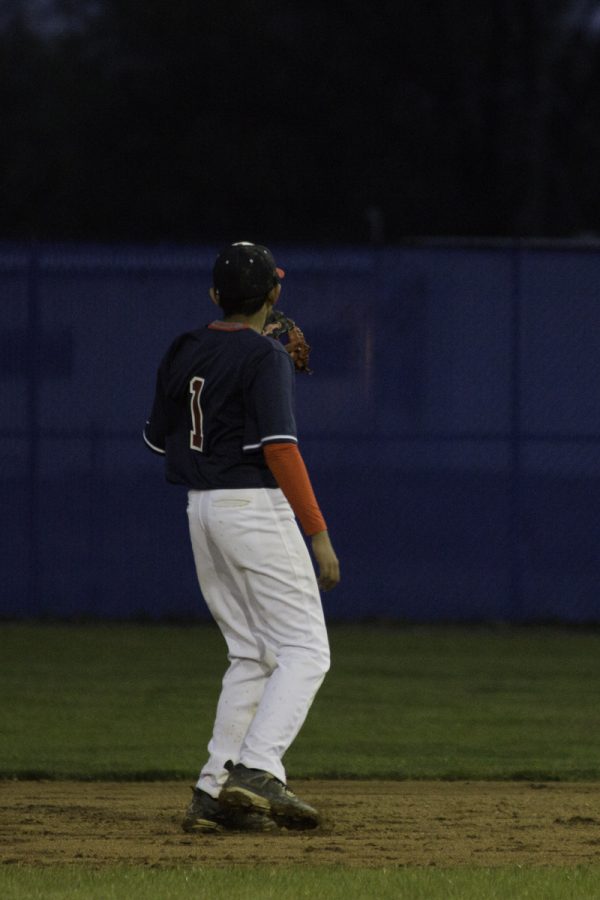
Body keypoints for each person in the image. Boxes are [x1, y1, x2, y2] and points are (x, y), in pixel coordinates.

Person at [144, 241, 340, 833]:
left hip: (201, 510)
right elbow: (280, 449)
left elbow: (159, 438)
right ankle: (255, 768)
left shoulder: (185, 347)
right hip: (252, 507)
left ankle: (213, 787)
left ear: (214, 296)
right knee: (307, 650)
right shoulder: (265, 357)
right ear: (273, 296)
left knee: (254, 653)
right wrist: (319, 533)